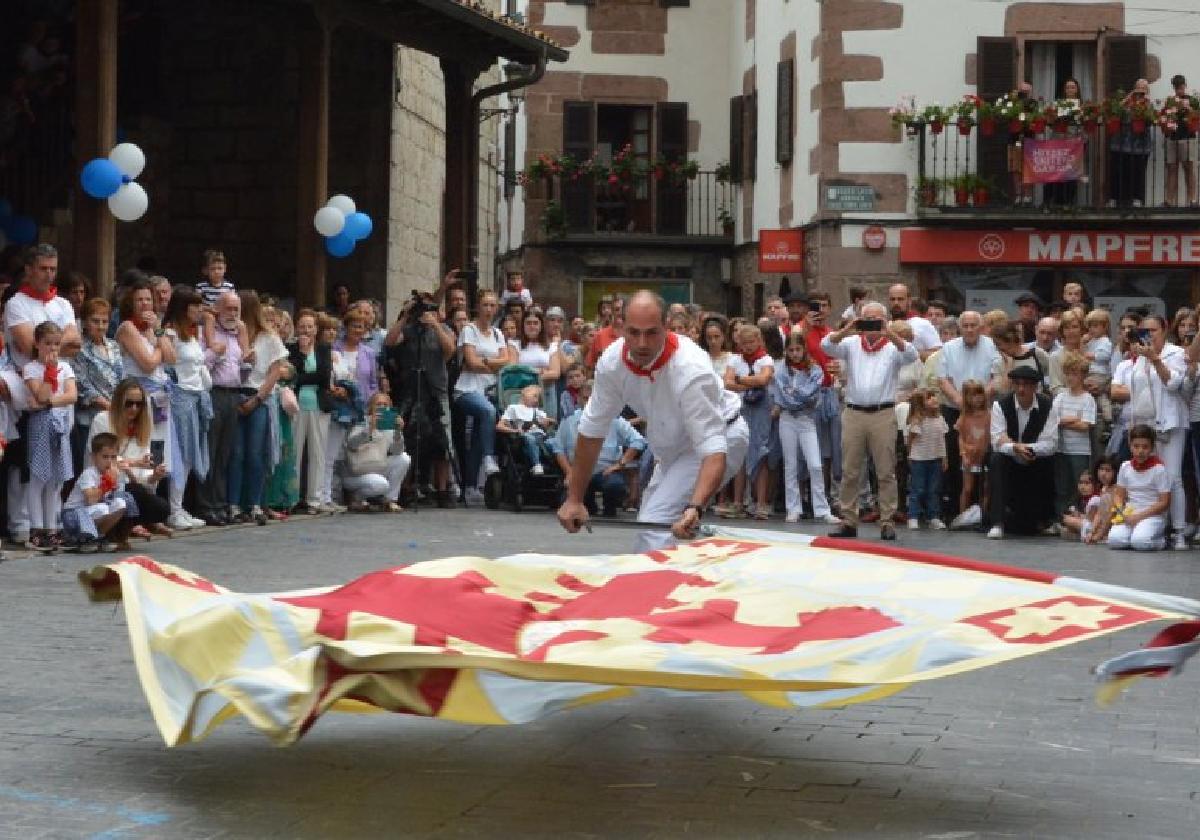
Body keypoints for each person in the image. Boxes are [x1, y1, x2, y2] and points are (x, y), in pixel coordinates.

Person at [557, 291, 731, 539]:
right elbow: (592, 430)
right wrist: (574, 499)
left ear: (667, 327)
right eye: (633, 332)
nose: (641, 343)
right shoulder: (611, 363)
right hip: (672, 444)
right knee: (653, 527)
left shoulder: (691, 369)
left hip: (718, 439)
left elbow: (712, 448)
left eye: (651, 333)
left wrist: (696, 506)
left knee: (654, 525)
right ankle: (681, 574)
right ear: (620, 327)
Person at [822, 302, 918, 540]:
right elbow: (826, 345)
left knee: (886, 470)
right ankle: (849, 519)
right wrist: (848, 329)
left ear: (885, 321)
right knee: (850, 470)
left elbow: (912, 355)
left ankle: (887, 520)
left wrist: (890, 333)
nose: (872, 324)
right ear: (860, 321)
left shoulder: (893, 347)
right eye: (868, 319)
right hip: (854, 411)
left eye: (877, 319)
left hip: (883, 412)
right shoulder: (852, 343)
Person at [1117, 313, 1188, 547]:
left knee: (1172, 477)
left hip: (1169, 422)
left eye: (1153, 330)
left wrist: (1155, 359)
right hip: (1144, 425)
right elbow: (1136, 395)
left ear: (1165, 330)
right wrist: (1133, 427)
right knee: (1149, 476)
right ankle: (1156, 527)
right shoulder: (1137, 357)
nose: (1149, 336)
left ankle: (1178, 531)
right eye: (1144, 331)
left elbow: (1173, 383)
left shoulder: (1175, 353)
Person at [387, 293, 458, 509]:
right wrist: (405, 316)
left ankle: (443, 489)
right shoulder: (409, 330)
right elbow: (390, 343)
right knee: (407, 437)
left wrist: (435, 324)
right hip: (410, 389)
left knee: (443, 440)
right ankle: (405, 487)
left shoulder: (443, 330)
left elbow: (450, 351)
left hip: (436, 390)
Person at [228, 291, 289, 526]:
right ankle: (233, 504)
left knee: (255, 454)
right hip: (236, 393)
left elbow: (275, 372)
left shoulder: (269, 338)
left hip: (259, 396)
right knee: (236, 454)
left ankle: (253, 503)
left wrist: (258, 399)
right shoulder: (232, 335)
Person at [549, 378, 646, 517]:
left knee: (614, 485)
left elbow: (638, 441)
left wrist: (620, 464)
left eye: (593, 399)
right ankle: (588, 503)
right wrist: (569, 472)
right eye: (585, 398)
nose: (589, 402)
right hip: (579, 473)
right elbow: (558, 449)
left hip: (606, 472)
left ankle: (610, 506)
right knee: (565, 503)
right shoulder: (568, 421)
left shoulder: (614, 419)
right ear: (578, 398)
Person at [88, 378, 172, 537]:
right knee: (135, 493)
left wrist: (154, 475)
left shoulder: (141, 427)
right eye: (129, 403)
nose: (134, 408)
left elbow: (143, 478)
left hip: (130, 485)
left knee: (161, 507)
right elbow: (103, 459)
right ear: (119, 401)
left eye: (139, 404)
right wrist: (137, 464)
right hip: (104, 485)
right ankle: (124, 528)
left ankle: (129, 526)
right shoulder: (103, 419)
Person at [769, 331, 837, 524]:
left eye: (798, 349)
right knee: (790, 464)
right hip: (787, 419)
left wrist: (795, 395)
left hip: (807, 419)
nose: (795, 354)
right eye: (790, 350)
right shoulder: (781, 369)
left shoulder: (814, 369)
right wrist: (798, 396)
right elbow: (784, 396)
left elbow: (811, 394)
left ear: (804, 349)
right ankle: (793, 508)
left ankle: (822, 509)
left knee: (815, 464)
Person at [454, 289, 514, 503]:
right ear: (478, 307)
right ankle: (489, 457)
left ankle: (470, 486)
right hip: (467, 390)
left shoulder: (498, 333)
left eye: (492, 305)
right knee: (488, 411)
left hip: (489, 389)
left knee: (479, 438)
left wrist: (486, 363)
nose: (489, 310)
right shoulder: (469, 330)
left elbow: (506, 360)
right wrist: (492, 364)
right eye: (485, 305)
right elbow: (470, 362)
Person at [987, 366, 1059, 539]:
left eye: (1026, 385)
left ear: (1035, 387)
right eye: (1017, 384)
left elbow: (1051, 444)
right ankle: (997, 522)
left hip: (1035, 461)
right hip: (1009, 461)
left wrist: (1024, 448)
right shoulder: (1000, 405)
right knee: (996, 459)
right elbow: (997, 440)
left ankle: (1045, 518)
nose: (1021, 389)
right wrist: (1014, 449)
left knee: (1049, 461)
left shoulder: (1048, 406)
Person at [22, 321, 75, 551]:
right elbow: (40, 394)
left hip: (60, 423)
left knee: (55, 479)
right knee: (38, 477)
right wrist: (50, 373)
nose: (52, 349)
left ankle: (52, 527)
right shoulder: (31, 369)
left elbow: (71, 395)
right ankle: (36, 529)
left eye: (56, 344)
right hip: (41, 425)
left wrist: (50, 402)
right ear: (37, 343)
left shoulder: (67, 367)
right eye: (47, 344)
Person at [162, 287, 211, 531]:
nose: (199, 310)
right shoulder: (170, 333)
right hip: (180, 397)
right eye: (195, 306)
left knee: (192, 454)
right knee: (180, 454)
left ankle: (180, 506)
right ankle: (173, 509)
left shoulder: (193, 334)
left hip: (196, 396)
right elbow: (168, 363)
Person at [195, 291, 245, 525]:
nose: (233, 314)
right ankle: (206, 505)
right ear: (218, 309)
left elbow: (240, 367)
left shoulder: (237, 336)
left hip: (233, 395)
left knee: (226, 453)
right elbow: (200, 362)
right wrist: (215, 353)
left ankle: (220, 502)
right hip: (213, 392)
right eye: (228, 309)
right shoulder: (208, 333)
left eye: (236, 309)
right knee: (211, 451)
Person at [1091, 425, 1171, 551]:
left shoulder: (1159, 469)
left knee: (1140, 542)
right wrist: (1122, 512)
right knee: (1114, 541)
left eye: (1145, 447)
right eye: (1136, 446)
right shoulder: (1125, 466)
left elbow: (1164, 502)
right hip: (1129, 514)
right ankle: (1135, 537)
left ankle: (1161, 541)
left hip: (1151, 516)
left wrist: (1139, 517)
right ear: (1130, 445)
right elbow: (1119, 495)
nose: (1140, 451)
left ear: (1152, 447)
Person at [725, 323, 775, 520]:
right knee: (740, 455)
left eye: (751, 342)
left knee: (760, 453)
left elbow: (764, 380)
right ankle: (738, 502)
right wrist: (748, 382)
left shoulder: (766, 358)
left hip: (761, 411)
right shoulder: (734, 359)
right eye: (744, 343)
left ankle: (761, 503)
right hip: (741, 410)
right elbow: (726, 383)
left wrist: (739, 379)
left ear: (759, 341)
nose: (747, 346)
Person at [288, 309, 333, 514]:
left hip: (318, 405)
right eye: (302, 326)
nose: (306, 330)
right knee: (294, 451)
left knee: (317, 452)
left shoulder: (324, 349)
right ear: (297, 329)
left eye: (310, 326)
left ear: (316, 329)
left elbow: (324, 377)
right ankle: (292, 498)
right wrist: (304, 356)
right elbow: (292, 377)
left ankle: (315, 499)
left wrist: (305, 373)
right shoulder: (291, 349)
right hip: (297, 405)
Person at [73, 298, 124, 476]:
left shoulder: (114, 346)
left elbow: (121, 379)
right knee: (91, 468)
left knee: (114, 466)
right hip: (90, 418)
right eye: (95, 321)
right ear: (85, 322)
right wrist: (109, 406)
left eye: (104, 321)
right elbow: (82, 386)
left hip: (116, 416)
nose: (101, 326)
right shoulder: (79, 349)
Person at [61, 432, 135, 551]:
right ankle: (81, 538)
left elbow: (113, 498)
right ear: (94, 457)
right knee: (102, 508)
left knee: (121, 503)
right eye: (105, 457)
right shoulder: (89, 473)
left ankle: (98, 537)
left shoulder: (114, 473)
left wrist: (118, 480)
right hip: (73, 515)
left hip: (94, 512)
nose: (110, 461)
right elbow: (91, 500)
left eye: (113, 457)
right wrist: (107, 483)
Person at [340, 391, 410, 512]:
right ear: (371, 407)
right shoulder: (362, 422)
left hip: (377, 467)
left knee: (404, 458)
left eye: (385, 404)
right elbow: (351, 445)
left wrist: (398, 432)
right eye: (378, 404)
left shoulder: (389, 425)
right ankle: (355, 498)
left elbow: (397, 451)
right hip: (357, 472)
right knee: (381, 484)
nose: (382, 407)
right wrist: (369, 429)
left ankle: (390, 500)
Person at [1051, 350, 1096, 519]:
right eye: (1068, 374)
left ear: (1083, 376)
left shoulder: (1088, 399)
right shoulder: (1061, 397)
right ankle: (1060, 518)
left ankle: (1081, 517)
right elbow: (1053, 420)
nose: (1070, 378)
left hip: (1080, 450)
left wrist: (1064, 421)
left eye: (1074, 374)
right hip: (1061, 449)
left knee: (1081, 486)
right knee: (1061, 486)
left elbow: (1085, 425)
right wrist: (1071, 419)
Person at [904, 388, 948, 530]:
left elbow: (942, 440)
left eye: (934, 396)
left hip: (935, 459)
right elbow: (910, 440)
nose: (934, 399)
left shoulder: (940, 419)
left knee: (933, 489)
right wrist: (910, 455)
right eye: (929, 397)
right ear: (920, 403)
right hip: (919, 459)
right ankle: (913, 516)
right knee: (917, 488)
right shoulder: (918, 421)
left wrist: (944, 457)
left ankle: (933, 516)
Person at [1107, 79, 1153, 207]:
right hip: (1122, 144)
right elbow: (1115, 112)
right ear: (1134, 88)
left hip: (1141, 145)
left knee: (1138, 172)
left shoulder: (1149, 103)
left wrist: (1145, 103)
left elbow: (1151, 119)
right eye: (1139, 87)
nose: (1141, 90)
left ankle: (1137, 198)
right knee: (1121, 172)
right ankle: (1117, 199)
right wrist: (1128, 98)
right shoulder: (1127, 102)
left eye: (1144, 87)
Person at [953, 380, 990, 524]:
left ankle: (983, 516)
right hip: (969, 456)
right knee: (967, 489)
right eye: (972, 396)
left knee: (986, 488)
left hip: (985, 456)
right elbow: (960, 437)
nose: (977, 399)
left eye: (979, 395)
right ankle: (962, 516)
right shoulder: (964, 417)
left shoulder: (990, 415)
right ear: (966, 398)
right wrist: (963, 454)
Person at [497, 384, 554, 475]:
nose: (536, 399)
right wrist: (514, 431)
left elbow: (547, 423)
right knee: (529, 438)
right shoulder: (513, 408)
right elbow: (499, 426)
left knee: (554, 442)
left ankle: (558, 467)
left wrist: (548, 422)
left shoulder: (538, 411)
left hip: (541, 436)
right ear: (523, 392)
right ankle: (537, 465)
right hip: (524, 437)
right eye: (534, 395)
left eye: (538, 397)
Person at [1164, 74, 1197, 207]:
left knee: (1189, 168)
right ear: (1174, 88)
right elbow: (1165, 117)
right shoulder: (1170, 101)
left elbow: (1196, 117)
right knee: (1172, 168)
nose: (1180, 90)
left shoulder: (1192, 100)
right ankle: (1169, 200)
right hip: (1173, 138)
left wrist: (1188, 108)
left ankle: (1192, 200)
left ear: (1185, 86)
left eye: (1182, 87)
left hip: (1188, 138)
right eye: (1177, 88)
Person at [886, 284, 941, 360]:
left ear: (909, 301)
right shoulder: (885, 327)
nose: (896, 303)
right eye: (892, 299)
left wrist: (911, 352)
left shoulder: (923, 324)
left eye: (900, 299)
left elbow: (938, 355)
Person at [517, 308, 561, 387]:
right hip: (520, 391)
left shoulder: (552, 346)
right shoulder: (514, 344)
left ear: (541, 326)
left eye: (535, 323)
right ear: (523, 326)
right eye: (528, 323)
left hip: (546, 392)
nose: (532, 326)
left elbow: (555, 373)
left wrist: (525, 373)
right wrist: (540, 371)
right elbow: (513, 371)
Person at [1061, 469, 1100, 543]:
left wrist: (1078, 515)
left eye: (1087, 483)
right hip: (1085, 523)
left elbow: (1091, 520)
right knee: (1065, 528)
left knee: (1067, 520)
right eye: (1081, 483)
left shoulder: (1096, 499)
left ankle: (1091, 535)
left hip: (1094, 526)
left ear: (1095, 485)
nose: (1082, 486)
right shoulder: (1079, 498)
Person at [699, 314, 733, 379]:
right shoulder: (700, 358)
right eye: (709, 337)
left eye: (716, 336)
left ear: (723, 336)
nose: (713, 341)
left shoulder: (732, 359)